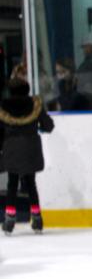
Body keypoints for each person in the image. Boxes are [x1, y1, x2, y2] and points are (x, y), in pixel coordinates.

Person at [1, 78, 54, 235]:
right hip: (31, 148)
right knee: (31, 183)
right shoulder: (35, 106)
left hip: (11, 148)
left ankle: (9, 219)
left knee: (12, 183)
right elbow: (48, 126)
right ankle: (37, 219)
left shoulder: (3, 107)